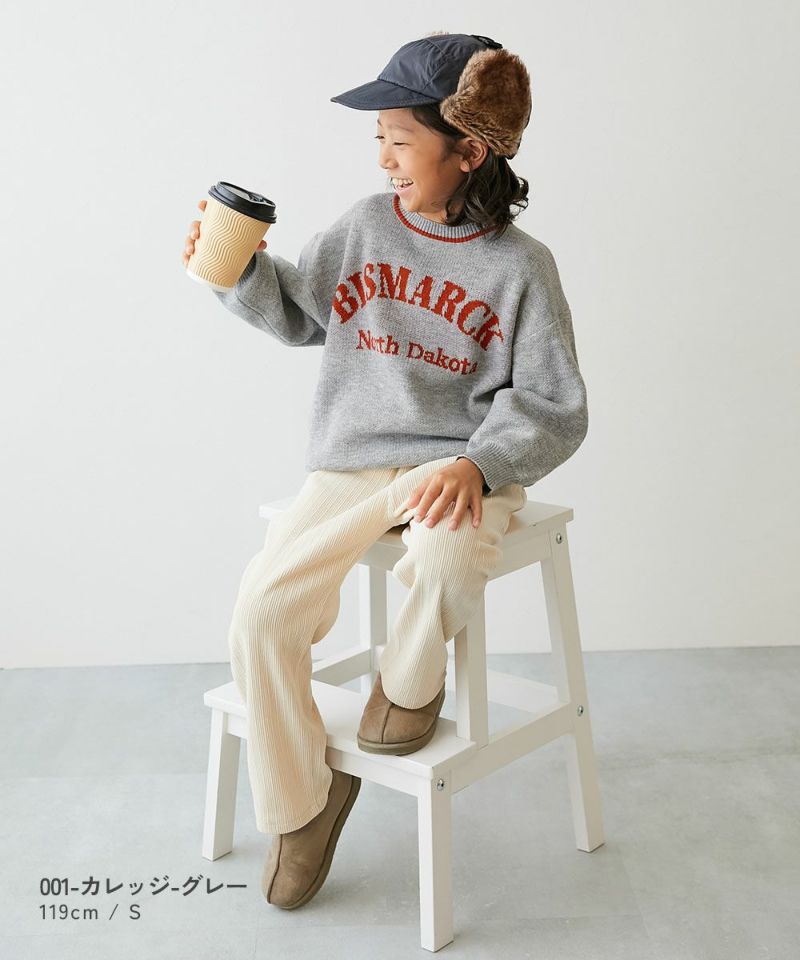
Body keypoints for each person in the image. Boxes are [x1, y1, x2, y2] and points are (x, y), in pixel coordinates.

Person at [181, 31, 589, 911]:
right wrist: (238, 269)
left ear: (468, 150)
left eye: (400, 141)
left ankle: (408, 685)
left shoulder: (523, 268)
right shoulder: (368, 225)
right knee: (262, 613)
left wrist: (481, 464)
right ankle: (302, 806)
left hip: (458, 465)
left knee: (446, 556)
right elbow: (302, 313)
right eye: (380, 141)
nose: (384, 158)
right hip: (354, 461)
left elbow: (554, 404)